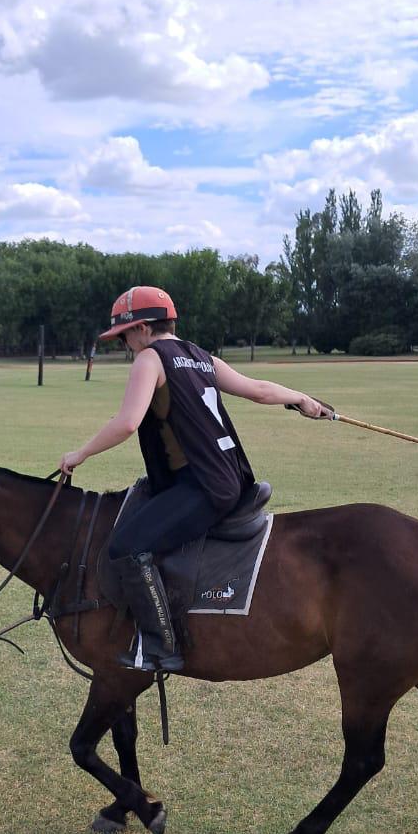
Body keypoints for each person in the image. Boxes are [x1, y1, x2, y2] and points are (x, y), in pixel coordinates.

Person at [59, 286, 333, 673]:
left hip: (202, 485)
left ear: (139, 328)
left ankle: (160, 646)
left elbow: (126, 423)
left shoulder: (150, 359)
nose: (125, 345)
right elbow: (257, 390)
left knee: (126, 547)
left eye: (123, 336)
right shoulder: (201, 357)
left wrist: (80, 453)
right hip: (229, 477)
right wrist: (302, 399)